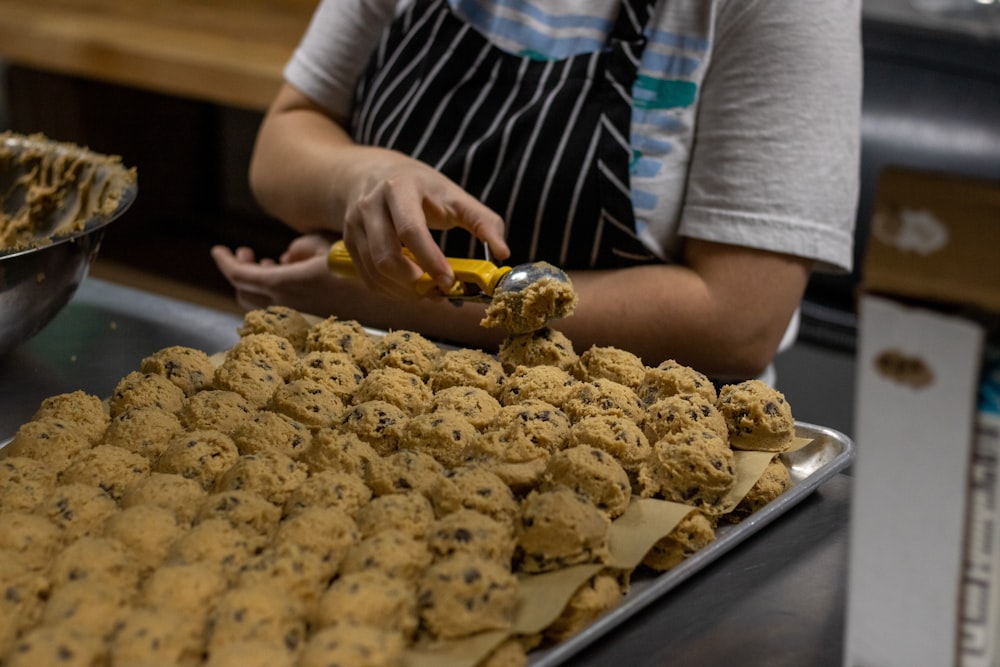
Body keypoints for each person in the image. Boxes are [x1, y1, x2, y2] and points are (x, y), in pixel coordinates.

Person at [211, 0, 862, 382]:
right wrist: (362, 176)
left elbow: (738, 319)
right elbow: (284, 141)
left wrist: (401, 302)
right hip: (365, 393)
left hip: (639, 452)